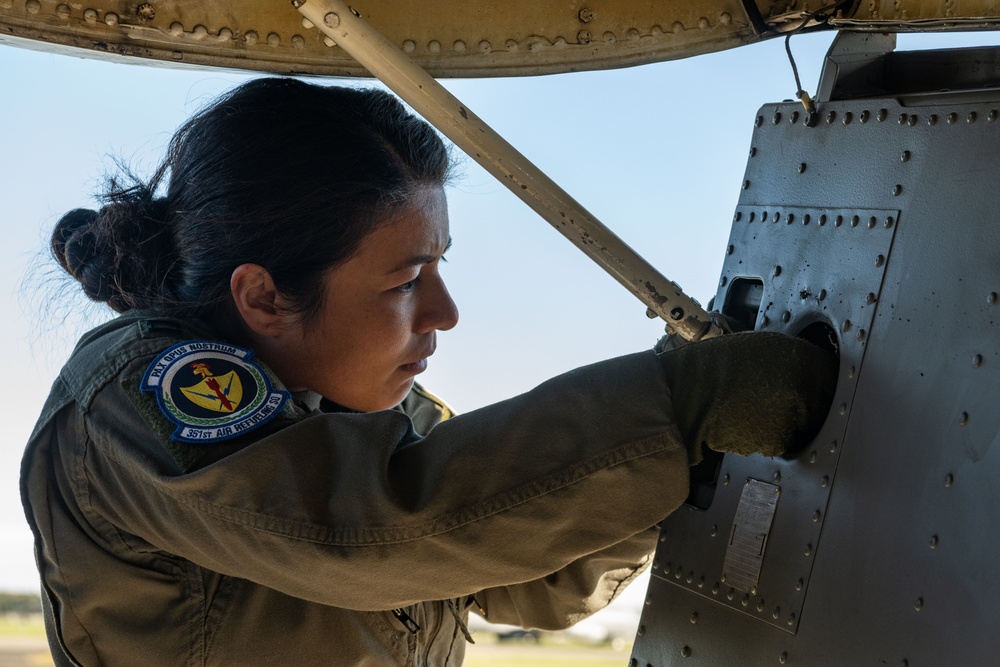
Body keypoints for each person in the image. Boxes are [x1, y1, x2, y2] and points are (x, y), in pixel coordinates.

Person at [21, 77, 837, 667]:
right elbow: (377, 527)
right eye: (406, 280)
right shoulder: (139, 401)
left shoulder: (359, 410)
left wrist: (682, 457)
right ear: (263, 296)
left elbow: (523, 575)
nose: (444, 311)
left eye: (439, 268)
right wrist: (680, 404)